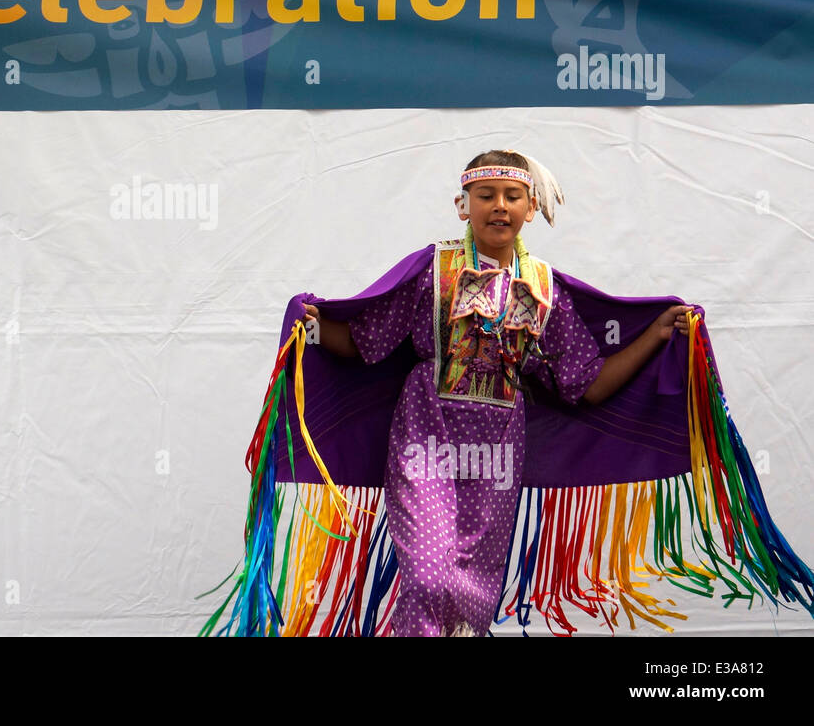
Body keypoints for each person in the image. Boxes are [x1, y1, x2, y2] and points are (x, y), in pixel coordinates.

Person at [297, 149, 694, 637]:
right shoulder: (433, 268)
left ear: (531, 209)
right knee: (426, 576)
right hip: (427, 443)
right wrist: (313, 330)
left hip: (497, 452)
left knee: (473, 593)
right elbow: (365, 341)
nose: (499, 206)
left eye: (513, 196)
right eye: (486, 195)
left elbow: (586, 384)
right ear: (464, 205)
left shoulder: (543, 287)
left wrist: (655, 334)